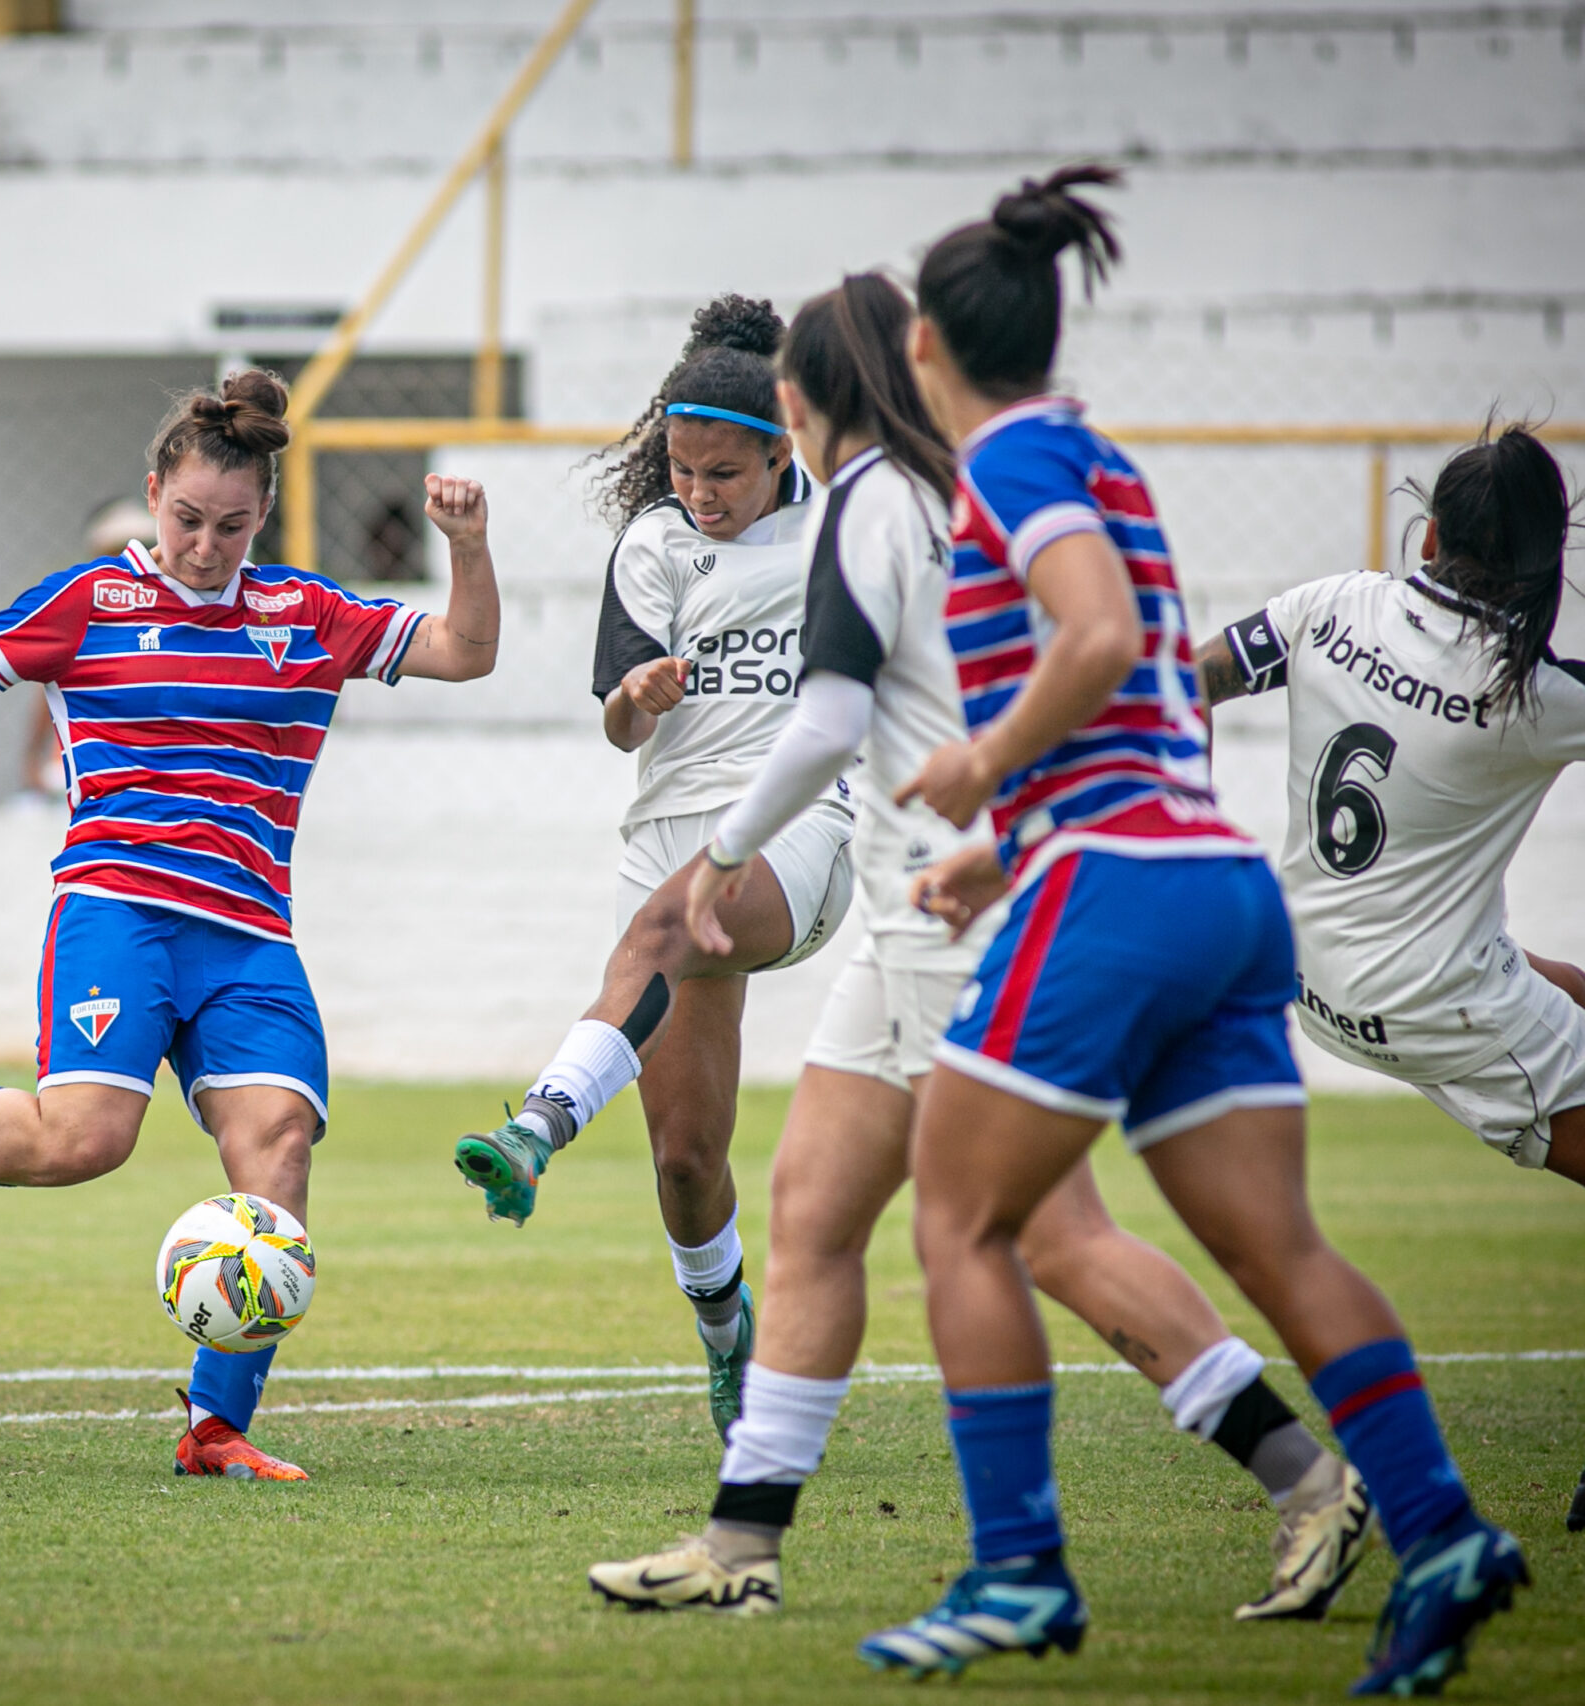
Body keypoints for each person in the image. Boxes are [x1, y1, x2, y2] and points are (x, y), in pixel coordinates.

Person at [580, 276, 1368, 1629]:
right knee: (814, 1213)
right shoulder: (951, 496)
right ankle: (742, 1539)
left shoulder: (874, 506)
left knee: (1047, 1235)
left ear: (802, 409)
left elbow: (834, 720)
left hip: (961, 922)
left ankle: (1304, 1477)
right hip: (910, 914)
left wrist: (722, 857)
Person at [874, 167, 1515, 1692]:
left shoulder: (1010, 468)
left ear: (926, 353)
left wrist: (978, 765)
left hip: (1120, 886)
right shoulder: (1099, 453)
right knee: (1277, 1242)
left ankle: (1018, 1570)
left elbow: (1096, 639)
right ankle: (1441, 1531)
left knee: (962, 1215)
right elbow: (1138, 683)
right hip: (1213, 883)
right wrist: (997, 842)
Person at [0, 371, 501, 1484]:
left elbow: (465, 650)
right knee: (84, 1141)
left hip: (249, 933)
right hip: (117, 909)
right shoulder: (92, 601)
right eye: (187, 519)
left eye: (233, 525)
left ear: (266, 518)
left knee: (279, 1155)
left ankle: (215, 1429)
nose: (206, 545)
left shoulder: (309, 615)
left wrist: (470, 546)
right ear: (153, 491)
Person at [1199, 421, 1585, 1532]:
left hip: (1311, 975)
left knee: (1572, 994)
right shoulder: (1538, 695)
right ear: (1549, 566)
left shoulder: (1329, 605)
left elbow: (1183, 681)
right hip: (1441, 1004)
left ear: (1430, 532)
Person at [452, 294, 845, 1433]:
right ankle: (730, 1344)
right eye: (681, 468)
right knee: (685, 1160)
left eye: (724, 472)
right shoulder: (654, 544)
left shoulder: (842, 533)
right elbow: (621, 730)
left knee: (667, 933)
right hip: (666, 839)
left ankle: (538, 1122)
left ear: (783, 451)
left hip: (800, 834)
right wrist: (633, 696)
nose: (699, 492)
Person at [24, 496, 155, 798]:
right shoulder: (82, 613)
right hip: (83, 767)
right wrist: (32, 762)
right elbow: (48, 690)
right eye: (118, 551)